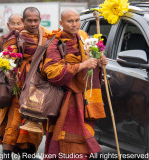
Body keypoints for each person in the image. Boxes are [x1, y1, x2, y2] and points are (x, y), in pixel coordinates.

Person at [0, 8, 50, 160]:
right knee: (12, 125)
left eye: (35, 20)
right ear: (23, 22)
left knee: (31, 129)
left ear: (40, 20)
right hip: (15, 90)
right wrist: (7, 76)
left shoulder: (46, 36)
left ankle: (26, 156)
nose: (32, 23)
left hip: (36, 90)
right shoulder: (12, 38)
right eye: (28, 20)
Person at [42, 9, 108, 159]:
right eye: (70, 21)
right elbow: (52, 72)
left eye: (77, 20)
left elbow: (92, 67)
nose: (74, 24)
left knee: (83, 141)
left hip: (85, 99)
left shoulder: (84, 38)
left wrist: (100, 63)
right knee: (64, 141)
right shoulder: (55, 43)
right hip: (65, 99)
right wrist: (82, 65)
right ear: (61, 23)